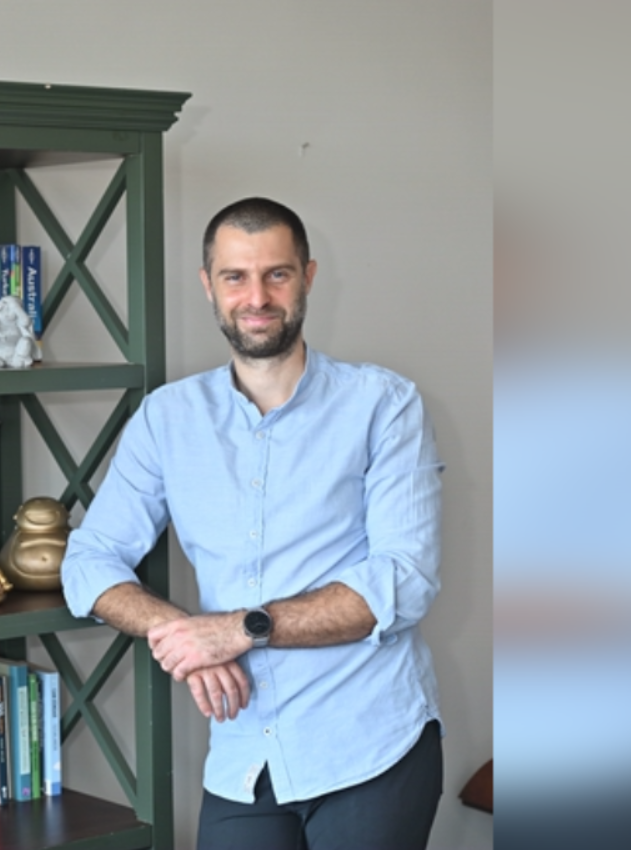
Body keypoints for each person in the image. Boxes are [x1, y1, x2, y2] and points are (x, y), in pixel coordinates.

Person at [60, 196, 444, 850]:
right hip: (244, 759)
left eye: (277, 274)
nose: (257, 297)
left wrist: (237, 630)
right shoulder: (166, 418)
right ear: (208, 285)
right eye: (235, 277)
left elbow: (404, 580)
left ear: (307, 278)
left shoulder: (384, 404)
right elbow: (88, 561)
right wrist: (182, 635)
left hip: (369, 745)